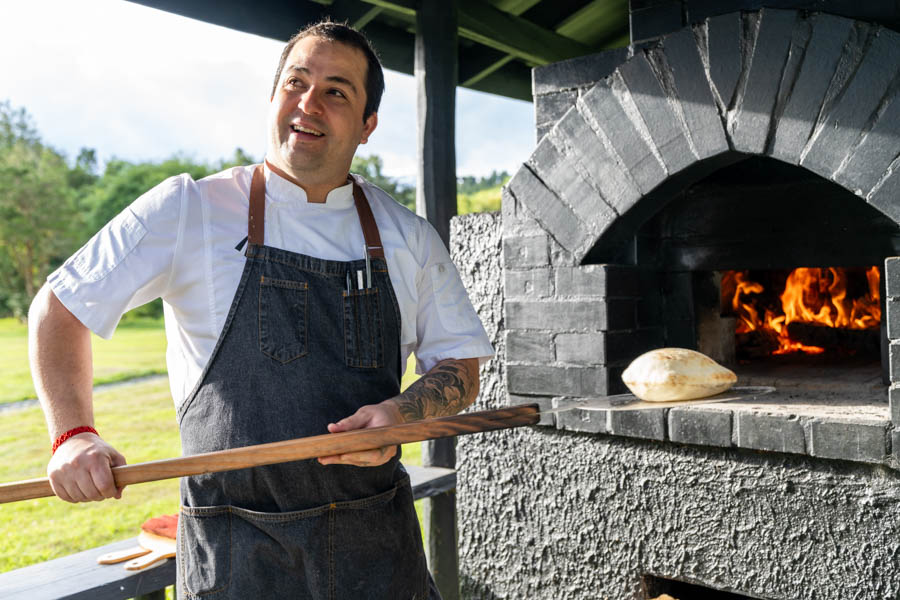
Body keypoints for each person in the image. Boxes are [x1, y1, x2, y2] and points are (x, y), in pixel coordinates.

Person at [28, 20, 493, 599]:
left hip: (376, 554)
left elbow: (460, 368)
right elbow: (60, 306)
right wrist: (73, 435)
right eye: (296, 83)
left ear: (368, 124)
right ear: (273, 99)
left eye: (337, 91)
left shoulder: (409, 238)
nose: (309, 104)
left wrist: (403, 413)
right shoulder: (189, 210)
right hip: (234, 558)